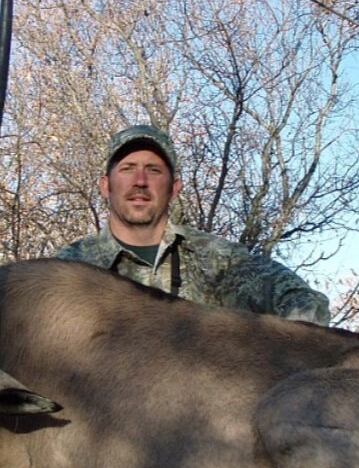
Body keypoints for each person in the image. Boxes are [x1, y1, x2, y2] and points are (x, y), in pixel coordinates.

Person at [56, 125, 330, 324]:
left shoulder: (217, 260)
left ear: (174, 188)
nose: (140, 180)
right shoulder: (71, 268)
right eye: (127, 168)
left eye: (154, 170)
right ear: (106, 185)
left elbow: (302, 300)